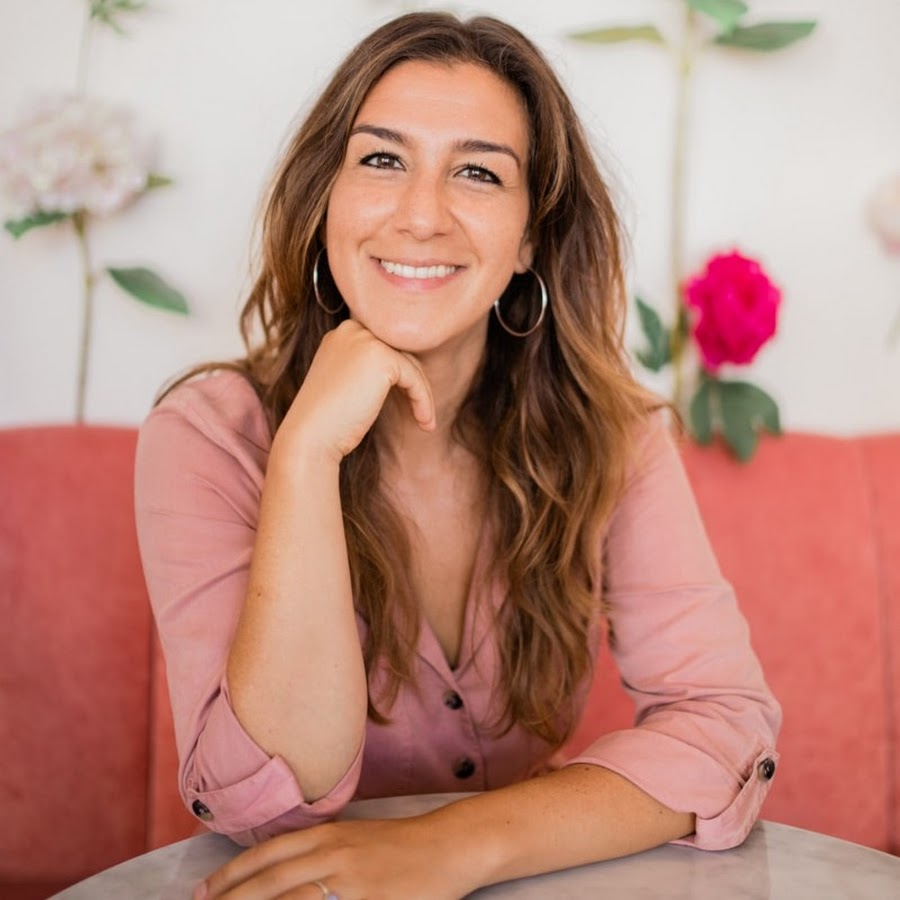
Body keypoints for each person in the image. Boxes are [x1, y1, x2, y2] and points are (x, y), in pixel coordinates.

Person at [134, 11, 781, 900]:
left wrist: (454, 847)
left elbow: (725, 722)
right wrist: (306, 455)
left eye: (478, 172)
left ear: (528, 239)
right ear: (326, 199)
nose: (421, 215)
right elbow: (268, 796)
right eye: (382, 160)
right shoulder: (206, 436)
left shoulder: (615, 438)